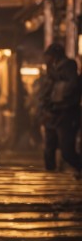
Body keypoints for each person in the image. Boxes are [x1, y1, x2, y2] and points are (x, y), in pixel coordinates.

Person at [39, 43, 81, 176]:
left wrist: (58, 97)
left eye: (49, 56)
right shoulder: (52, 68)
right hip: (52, 112)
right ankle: (50, 174)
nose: (47, 59)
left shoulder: (68, 66)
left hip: (65, 113)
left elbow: (70, 86)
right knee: (49, 148)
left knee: (67, 151)